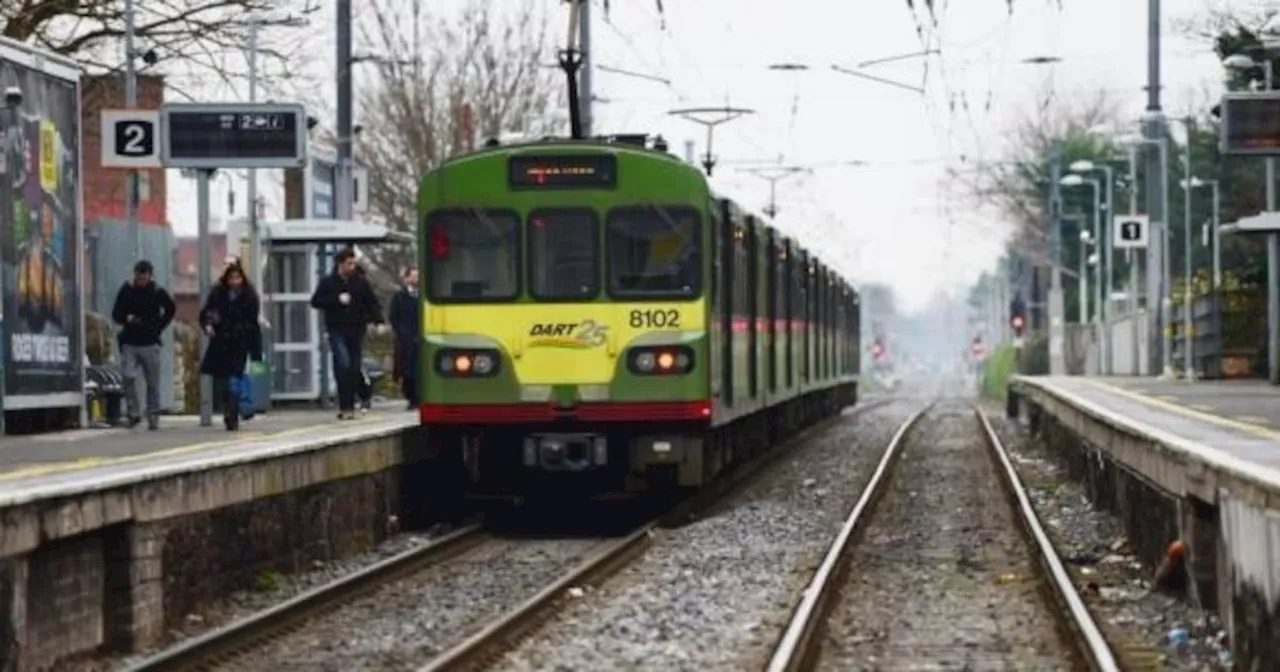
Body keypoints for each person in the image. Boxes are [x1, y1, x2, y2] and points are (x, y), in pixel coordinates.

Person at [310, 248, 385, 419]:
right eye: (349, 263)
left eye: (353, 263)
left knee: (353, 366)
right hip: (337, 329)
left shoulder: (359, 283)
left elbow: (371, 302)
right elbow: (316, 301)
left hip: (356, 329)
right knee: (342, 364)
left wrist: (378, 321)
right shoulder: (328, 283)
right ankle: (346, 406)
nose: (352, 267)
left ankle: (361, 394)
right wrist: (336, 300)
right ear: (340, 264)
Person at [111, 260, 175, 430]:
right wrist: (127, 318)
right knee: (128, 376)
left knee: (152, 382)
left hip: (150, 342)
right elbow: (116, 314)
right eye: (139, 275)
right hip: (130, 341)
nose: (141, 279)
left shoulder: (157, 292)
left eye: (145, 275)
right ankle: (134, 412)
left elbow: (170, 309)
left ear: (150, 275)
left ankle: (153, 414)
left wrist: (158, 326)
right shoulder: (127, 290)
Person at [198, 263, 263, 430]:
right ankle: (232, 409)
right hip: (221, 342)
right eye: (231, 278)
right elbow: (206, 313)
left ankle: (234, 411)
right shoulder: (218, 294)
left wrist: (255, 349)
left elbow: (253, 322)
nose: (235, 281)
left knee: (236, 377)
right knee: (224, 380)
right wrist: (208, 325)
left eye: (237, 278)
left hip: (240, 342)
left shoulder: (249, 296)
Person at [388, 267, 421, 410]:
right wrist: (401, 332)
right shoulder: (399, 296)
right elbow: (393, 316)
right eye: (413, 276)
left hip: (420, 337)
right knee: (407, 369)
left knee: (419, 369)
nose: (416, 280)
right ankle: (411, 397)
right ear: (406, 278)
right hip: (405, 338)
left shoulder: (424, 296)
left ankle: (418, 397)